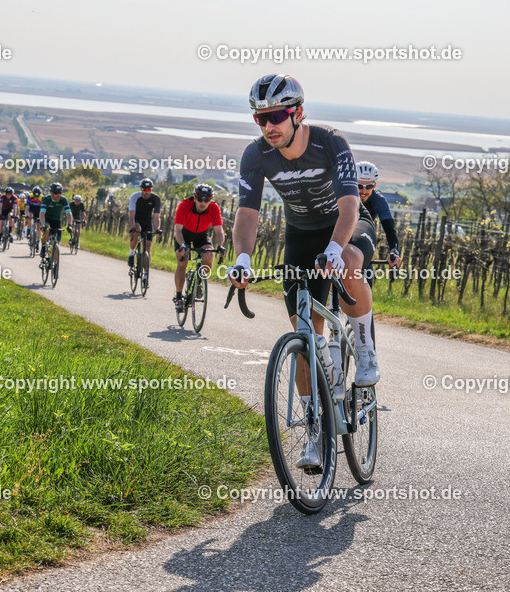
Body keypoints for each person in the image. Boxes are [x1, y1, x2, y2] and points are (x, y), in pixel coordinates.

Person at [229, 73, 380, 471]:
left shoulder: (330, 141)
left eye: (276, 116)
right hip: (301, 234)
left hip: (346, 224)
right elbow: (247, 214)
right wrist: (243, 258)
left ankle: (365, 350)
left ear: (297, 113)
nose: (268, 125)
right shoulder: (256, 155)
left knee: (348, 263)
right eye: (260, 118)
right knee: (304, 335)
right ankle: (316, 434)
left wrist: (334, 247)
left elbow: (350, 206)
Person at [172, 184, 225, 312]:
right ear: (194, 198)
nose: (203, 203)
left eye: (207, 200)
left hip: (201, 236)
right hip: (183, 235)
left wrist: (220, 245)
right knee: (182, 262)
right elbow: (177, 230)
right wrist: (182, 244)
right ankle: (179, 297)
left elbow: (219, 231)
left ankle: (199, 282)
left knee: (209, 255)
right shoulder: (185, 205)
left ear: (211, 200)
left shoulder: (214, 208)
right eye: (200, 199)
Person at [355, 161, 402, 284]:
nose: (363, 191)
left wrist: (394, 250)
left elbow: (389, 228)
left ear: (374, 185)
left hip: (363, 243)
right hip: (341, 241)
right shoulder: (345, 196)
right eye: (359, 186)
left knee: (367, 281)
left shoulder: (378, 200)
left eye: (369, 186)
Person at [127, 179, 162, 271]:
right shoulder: (135, 197)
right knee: (137, 229)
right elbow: (131, 215)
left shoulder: (156, 199)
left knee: (148, 247)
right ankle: (131, 254)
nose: (147, 192)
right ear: (141, 189)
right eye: (144, 190)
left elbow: (156, 217)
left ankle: (146, 273)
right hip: (136, 219)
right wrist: (132, 228)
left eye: (149, 190)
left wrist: (158, 229)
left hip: (147, 221)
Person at [39, 183, 73, 264]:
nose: (58, 195)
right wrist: (43, 224)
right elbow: (42, 213)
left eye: (60, 193)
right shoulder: (47, 199)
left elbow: (69, 213)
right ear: (51, 193)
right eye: (56, 193)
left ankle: (54, 263)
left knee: (56, 243)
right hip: (47, 220)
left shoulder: (63, 200)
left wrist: (70, 225)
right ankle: (43, 247)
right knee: (47, 228)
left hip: (57, 221)